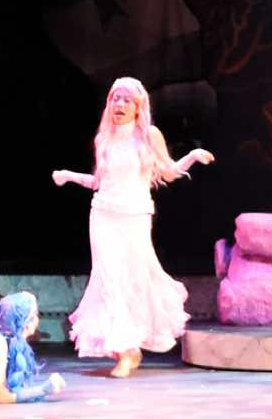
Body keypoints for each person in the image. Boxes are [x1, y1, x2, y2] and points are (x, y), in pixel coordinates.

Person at [52, 76, 213, 377]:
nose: (120, 105)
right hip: (103, 216)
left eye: (127, 100)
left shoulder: (149, 136)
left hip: (135, 217)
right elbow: (99, 181)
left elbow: (168, 172)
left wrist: (192, 156)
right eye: (116, 98)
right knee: (109, 281)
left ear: (139, 107)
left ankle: (132, 346)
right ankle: (124, 352)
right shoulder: (104, 139)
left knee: (135, 279)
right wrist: (68, 176)